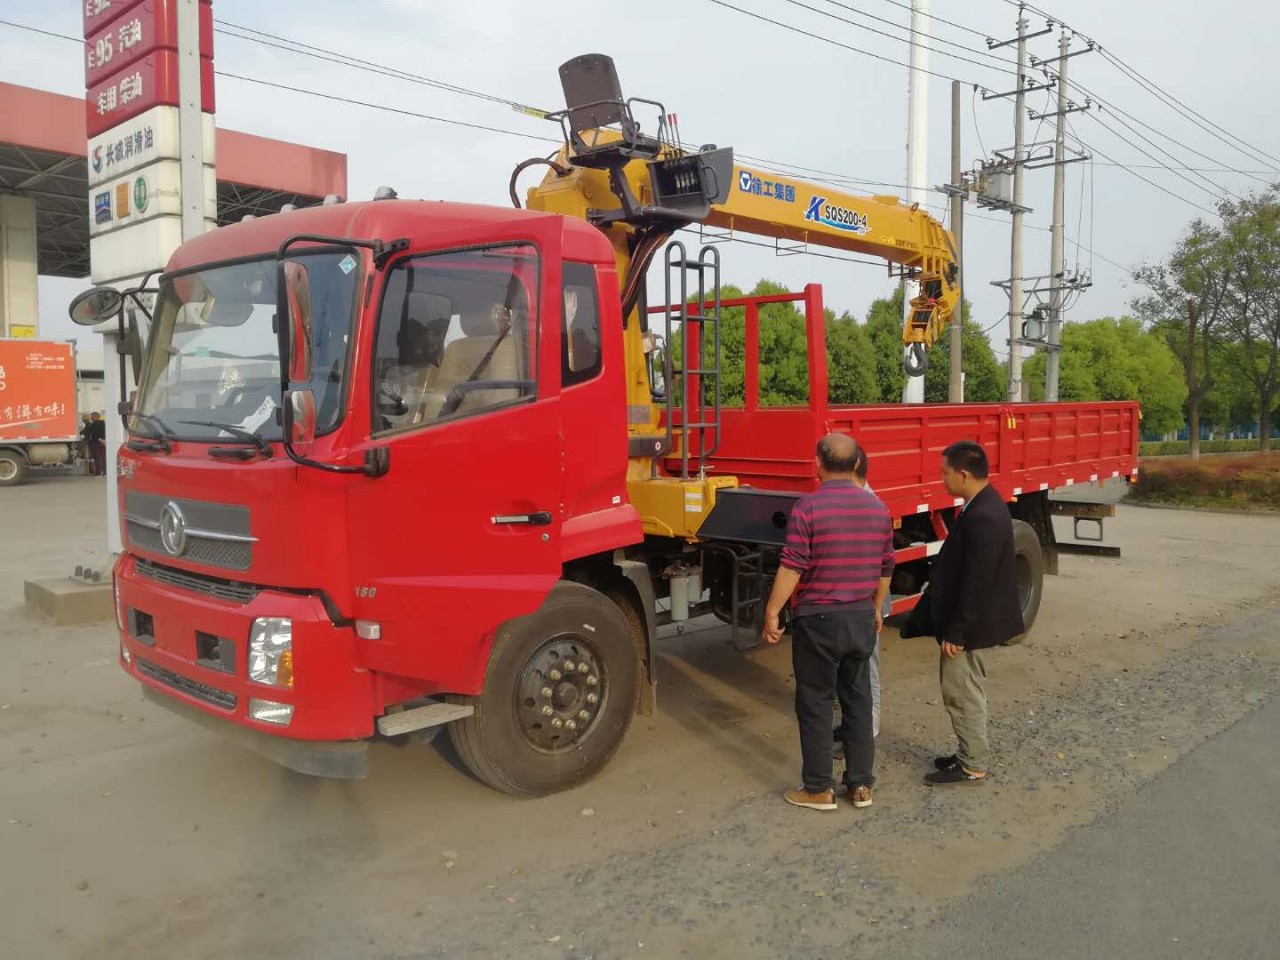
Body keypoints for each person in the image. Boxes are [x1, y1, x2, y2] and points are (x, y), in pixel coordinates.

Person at [764, 433, 894, 812]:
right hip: (859, 617)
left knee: (817, 702)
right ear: (856, 465)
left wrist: (773, 611)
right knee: (858, 701)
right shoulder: (877, 509)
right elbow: (886, 566)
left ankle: (819, 788)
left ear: (817, 464)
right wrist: (874, 607)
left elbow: (793, 565)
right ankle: (860, 786)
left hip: (819, 620)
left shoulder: (809, 508)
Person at [922, 440, 1025, 786]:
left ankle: (972, 764)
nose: (942, 479)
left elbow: (976, 581)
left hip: (972, 628)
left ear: (964, 474)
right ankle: (969, 752)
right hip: (974, 623)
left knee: (962, 691)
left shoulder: (983, 515)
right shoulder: (984, 504)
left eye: (945, 473)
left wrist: (956, 631)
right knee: (965, 689)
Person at [833, 445, 889, 755]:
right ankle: (852, 725)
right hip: (854, 600)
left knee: (865, 668)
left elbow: (883, 565)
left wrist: (876, 606)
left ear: (852, 465)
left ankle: (866, 732)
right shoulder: (852, 500)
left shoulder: (869, 504)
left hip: (865, 600)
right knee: (849, 669)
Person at [87, 412, 107, 478]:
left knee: (97, 458)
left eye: (91, 416)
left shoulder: (93, 425)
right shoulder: (103, 424)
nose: (90, 418)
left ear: (95, 417)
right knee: (104, 457)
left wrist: (99, 439)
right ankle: (105, 472)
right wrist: (103, 440)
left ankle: (99, 472)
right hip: (103, 442)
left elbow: (93, 435)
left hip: (96, 443)